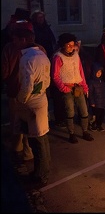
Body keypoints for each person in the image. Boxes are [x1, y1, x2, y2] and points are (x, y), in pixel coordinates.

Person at [15, 29, 51, 188]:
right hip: (41, 99)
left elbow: (27, 85)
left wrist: (20, 99)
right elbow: (47, 81)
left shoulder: (27, 59)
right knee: (41, 139)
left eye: (15, 39)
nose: (14, 43)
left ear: (23, 40)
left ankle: (40, 176)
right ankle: (41, 172)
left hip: (31, 103)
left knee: (37, 142)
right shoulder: (42, 55)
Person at [1, 26, 39, 163]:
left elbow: (4, 71)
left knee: (17, 123)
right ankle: (28, 153)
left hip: (16, 91)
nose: (13, 41)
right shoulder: (39, 51)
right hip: (33, 94)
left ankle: (18, 150)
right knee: (29, 124)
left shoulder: (10, 48)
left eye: (15, 39)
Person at [52, 33, 94, 143]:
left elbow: (80, 71)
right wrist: (63, 88)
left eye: (72, 45)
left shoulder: (76, 55)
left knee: (84, 110)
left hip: (78, 87)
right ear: (63, 45)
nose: (71, 47)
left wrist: (85, 86)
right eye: (68, 45)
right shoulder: (58, 57)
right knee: (70, 111)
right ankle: (71, 133)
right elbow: (55, 76)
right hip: (67, 88)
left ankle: (85, 131)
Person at [88, 62, 105, 132]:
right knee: (96, 115)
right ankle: (93, 125)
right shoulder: (91, 82)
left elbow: (104, 91)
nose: (99, 73)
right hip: (96, 103)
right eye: (97, 72)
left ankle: (99, 125)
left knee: (101, 115)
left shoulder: (101, 81)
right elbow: (90, 93)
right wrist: (92, 102)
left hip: (102, 102)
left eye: (100, 72)